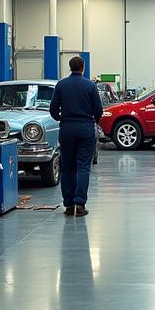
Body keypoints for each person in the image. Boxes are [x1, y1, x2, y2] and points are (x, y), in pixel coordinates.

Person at [50, 56, 104, 217]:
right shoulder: (90, 86)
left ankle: (68, 205)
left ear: (70, 67)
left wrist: (62, 119)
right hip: (85, 128)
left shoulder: (61, 85)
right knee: (83, 167)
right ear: (83, 67)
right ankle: (80, 204)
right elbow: (99, 110)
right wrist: (93, 120)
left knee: (67, 167)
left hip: (67, 128)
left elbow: (53, 109)